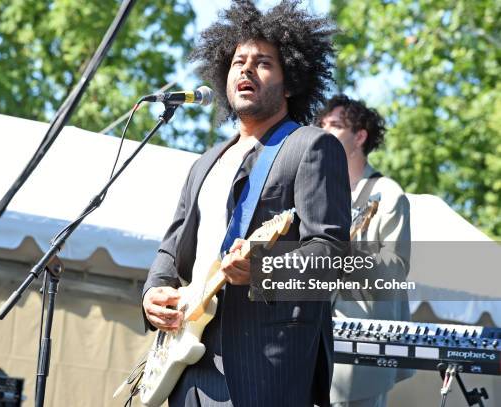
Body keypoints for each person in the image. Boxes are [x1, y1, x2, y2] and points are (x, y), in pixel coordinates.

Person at [142, 1, 351, 406]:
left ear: (290, 82)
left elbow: (331, 253)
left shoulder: (311, 146)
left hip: (263, 367)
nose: (246, 70)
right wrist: (153, 290)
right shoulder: (207, 162)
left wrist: (262, 268)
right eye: (238, 61)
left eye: (263, 63)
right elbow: (172, 248)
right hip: (188, 364)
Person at [317, 95, 413, 407]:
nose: (323, 131)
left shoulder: (387, 194)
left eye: (335, 126)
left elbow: (395, 267)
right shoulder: (317, 191)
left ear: (359, 137)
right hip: (317, 345)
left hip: (362, 350)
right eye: (322, 125)